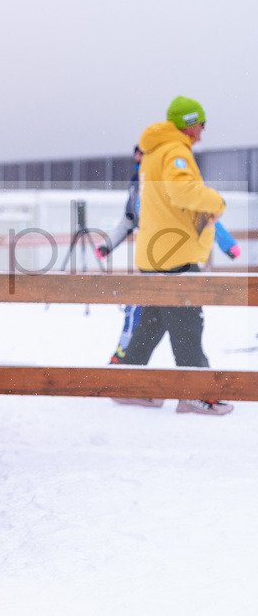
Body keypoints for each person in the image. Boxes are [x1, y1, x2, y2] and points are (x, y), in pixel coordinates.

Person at [110, 96, 232, 415]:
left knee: (152, 321)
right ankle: (196, 393)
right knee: (189, 322)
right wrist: (216, 202)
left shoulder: (154, 152)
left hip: (155, 253)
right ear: (190, 123)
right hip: (175, 254)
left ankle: (130, 385)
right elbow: (182, 192)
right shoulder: (176, 151)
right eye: (201, 124)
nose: (203, 132)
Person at [97, 145, 240, 369]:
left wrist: (227, 244)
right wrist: (108, 245)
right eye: (137, 153)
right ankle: (191, 384)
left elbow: (201, 215)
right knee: (171, 316)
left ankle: (131, 369)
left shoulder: (167, 179)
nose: (138, 157)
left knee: (161, 316)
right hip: (153, 256)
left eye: (142, 153)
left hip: (173, 252)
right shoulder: (138, 182)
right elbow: (129, 218)